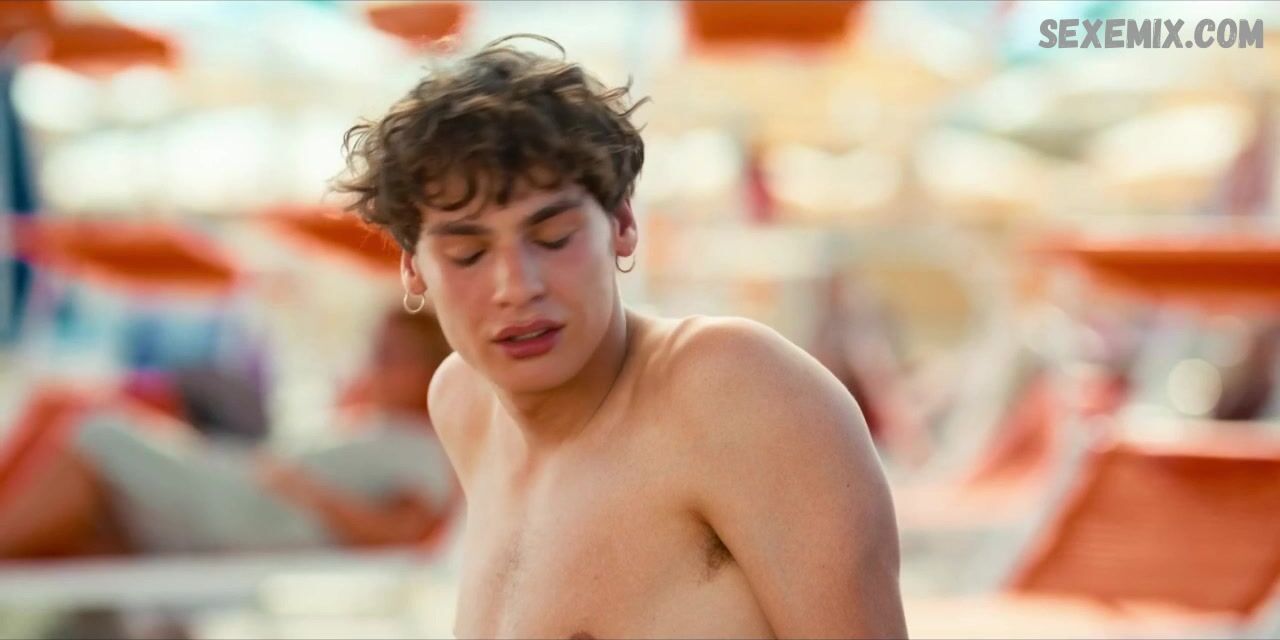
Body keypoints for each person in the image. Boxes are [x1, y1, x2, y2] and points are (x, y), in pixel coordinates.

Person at [337, 35, 906, 638]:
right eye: (468, 253)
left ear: (623, 224)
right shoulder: (463, 400)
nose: (517, 286)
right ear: (413, 268)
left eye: (553, 238)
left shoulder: (733, 387)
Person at [0, 306, 456, 557]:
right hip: (241, 492)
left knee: (99, 433)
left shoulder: (422, 448)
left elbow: (403, 534)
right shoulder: (382, 426)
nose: (372, 365)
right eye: (374, 351)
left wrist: (310, 493)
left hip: (245, 509)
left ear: (427, 370)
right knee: (93, 447)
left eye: (387, 355)